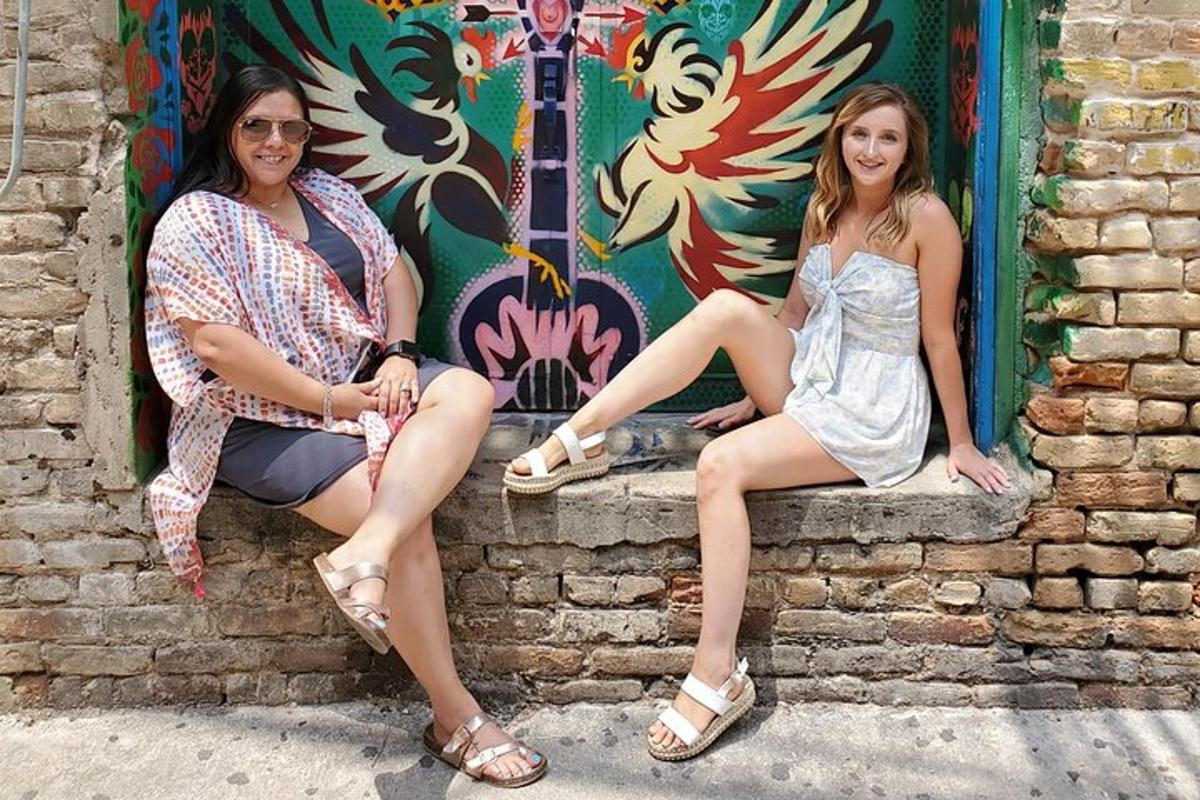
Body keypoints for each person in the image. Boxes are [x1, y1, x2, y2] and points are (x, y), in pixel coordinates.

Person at [504, 82, 1011, 761]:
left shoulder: (925, 218)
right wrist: (757, 387)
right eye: (860, 133)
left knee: (720, 465)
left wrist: (965, 444)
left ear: (907, 148)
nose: (871, 149)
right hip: (813, 377)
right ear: (840, 136)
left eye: (888, 138)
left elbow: (941, 341)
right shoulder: (824, 207)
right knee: (723, 310)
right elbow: (795, 317)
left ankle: (717, 674)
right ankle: (581, 434)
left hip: (873, 407)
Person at [145, 65, 545, 788]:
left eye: (291, 127)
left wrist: (396, 354)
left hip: (364, 381)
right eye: (257, 126)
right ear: (228, 130)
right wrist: (329, 402)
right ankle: (457, 718)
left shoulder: (328, 194)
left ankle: (367, 551)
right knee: (409, 508)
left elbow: (392, 273)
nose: (276, 141)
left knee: (467, 392)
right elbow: (213, 346)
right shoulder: (196, 219)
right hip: (257, 420)